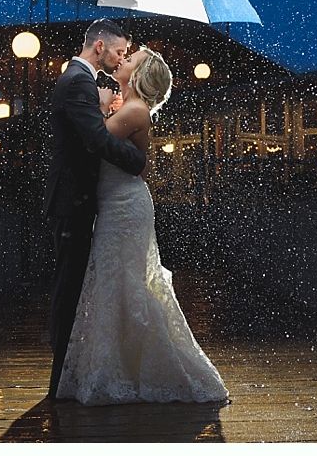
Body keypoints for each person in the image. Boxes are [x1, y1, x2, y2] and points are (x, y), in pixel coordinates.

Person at [57, 46, 229, 405]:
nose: (123, 60)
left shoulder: (133, 111)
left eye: (130, 59)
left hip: (123, 209)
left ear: (137, 75)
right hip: (118, 205)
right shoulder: (132, 109)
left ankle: (136, 368)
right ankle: (122, 364)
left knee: (123, 283)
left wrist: (102, 107)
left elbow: (95, 142)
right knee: (117, 283)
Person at [43, 19, 147, 399]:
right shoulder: (79, 81)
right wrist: (138, 161)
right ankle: (58, 383)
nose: (122, 57)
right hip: (73, 201)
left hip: (76, 199)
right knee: (68, 289)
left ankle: (64, 378)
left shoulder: (80, 80)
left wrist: (103, 110)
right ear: (100, 46)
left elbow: (92, 131)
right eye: (120, 51)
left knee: (70, 285)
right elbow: (95, 139)